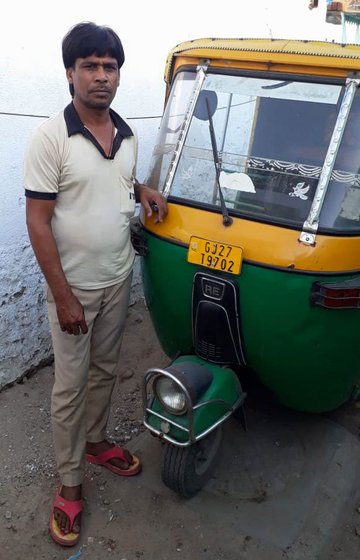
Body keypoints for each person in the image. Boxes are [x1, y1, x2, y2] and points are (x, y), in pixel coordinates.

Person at [23, 21, 167, 547]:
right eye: (90, 66)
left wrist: (143, 187)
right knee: (68, 385)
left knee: (105, 370)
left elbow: (117, 180)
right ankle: (68, 483)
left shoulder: (126, 134)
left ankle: (96, 440)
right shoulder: (50, 137)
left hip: (116, 279)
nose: (101, 76)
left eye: (110, 67)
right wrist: (63, 296)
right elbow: (38, 221)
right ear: (70, 72)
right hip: (74, 290)